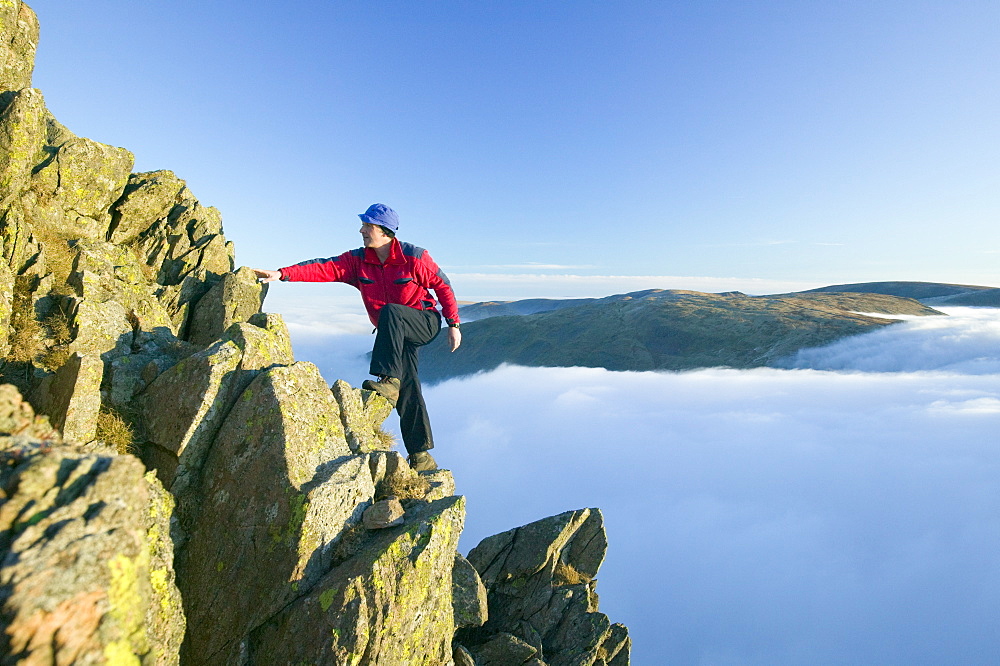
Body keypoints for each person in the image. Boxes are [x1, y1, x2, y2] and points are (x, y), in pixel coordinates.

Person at [253, 203, 461, 471]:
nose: (361, 230)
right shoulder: (358, 260)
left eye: (368, 226)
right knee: (410, 387)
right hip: (394, 331)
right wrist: (282, 274)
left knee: (392, 314)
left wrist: (453, 324)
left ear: (385, 232)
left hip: (424, 322)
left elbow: (442, 286)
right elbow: (323, 268)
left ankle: (388, 380)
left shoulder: (414, 257)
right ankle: (421, 455)